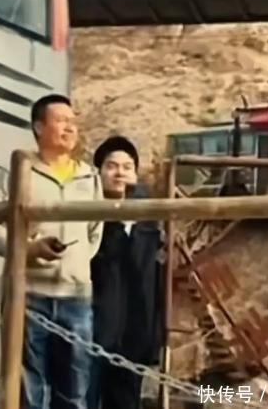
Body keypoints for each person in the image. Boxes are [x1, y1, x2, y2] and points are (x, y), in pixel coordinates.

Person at [0, 93, 103, 409]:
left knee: (74, 392)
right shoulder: (18, 170)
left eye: (73, 121)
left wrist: (74, 264)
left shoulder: (90, 176)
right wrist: (30, 249)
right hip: (28, 296)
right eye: (61, 121)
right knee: (28, 391)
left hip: (76, 298)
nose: (70, 128)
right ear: (38, 127)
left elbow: (94, 234)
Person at [88, 135, 164, 409]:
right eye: (111, 166)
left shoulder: (151, 221)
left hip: (135, 331)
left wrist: (154, 336)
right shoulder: (86, 215)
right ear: (98, 172)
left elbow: (155, 280)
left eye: (127, 167)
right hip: (92, 329)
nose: (119, 172)